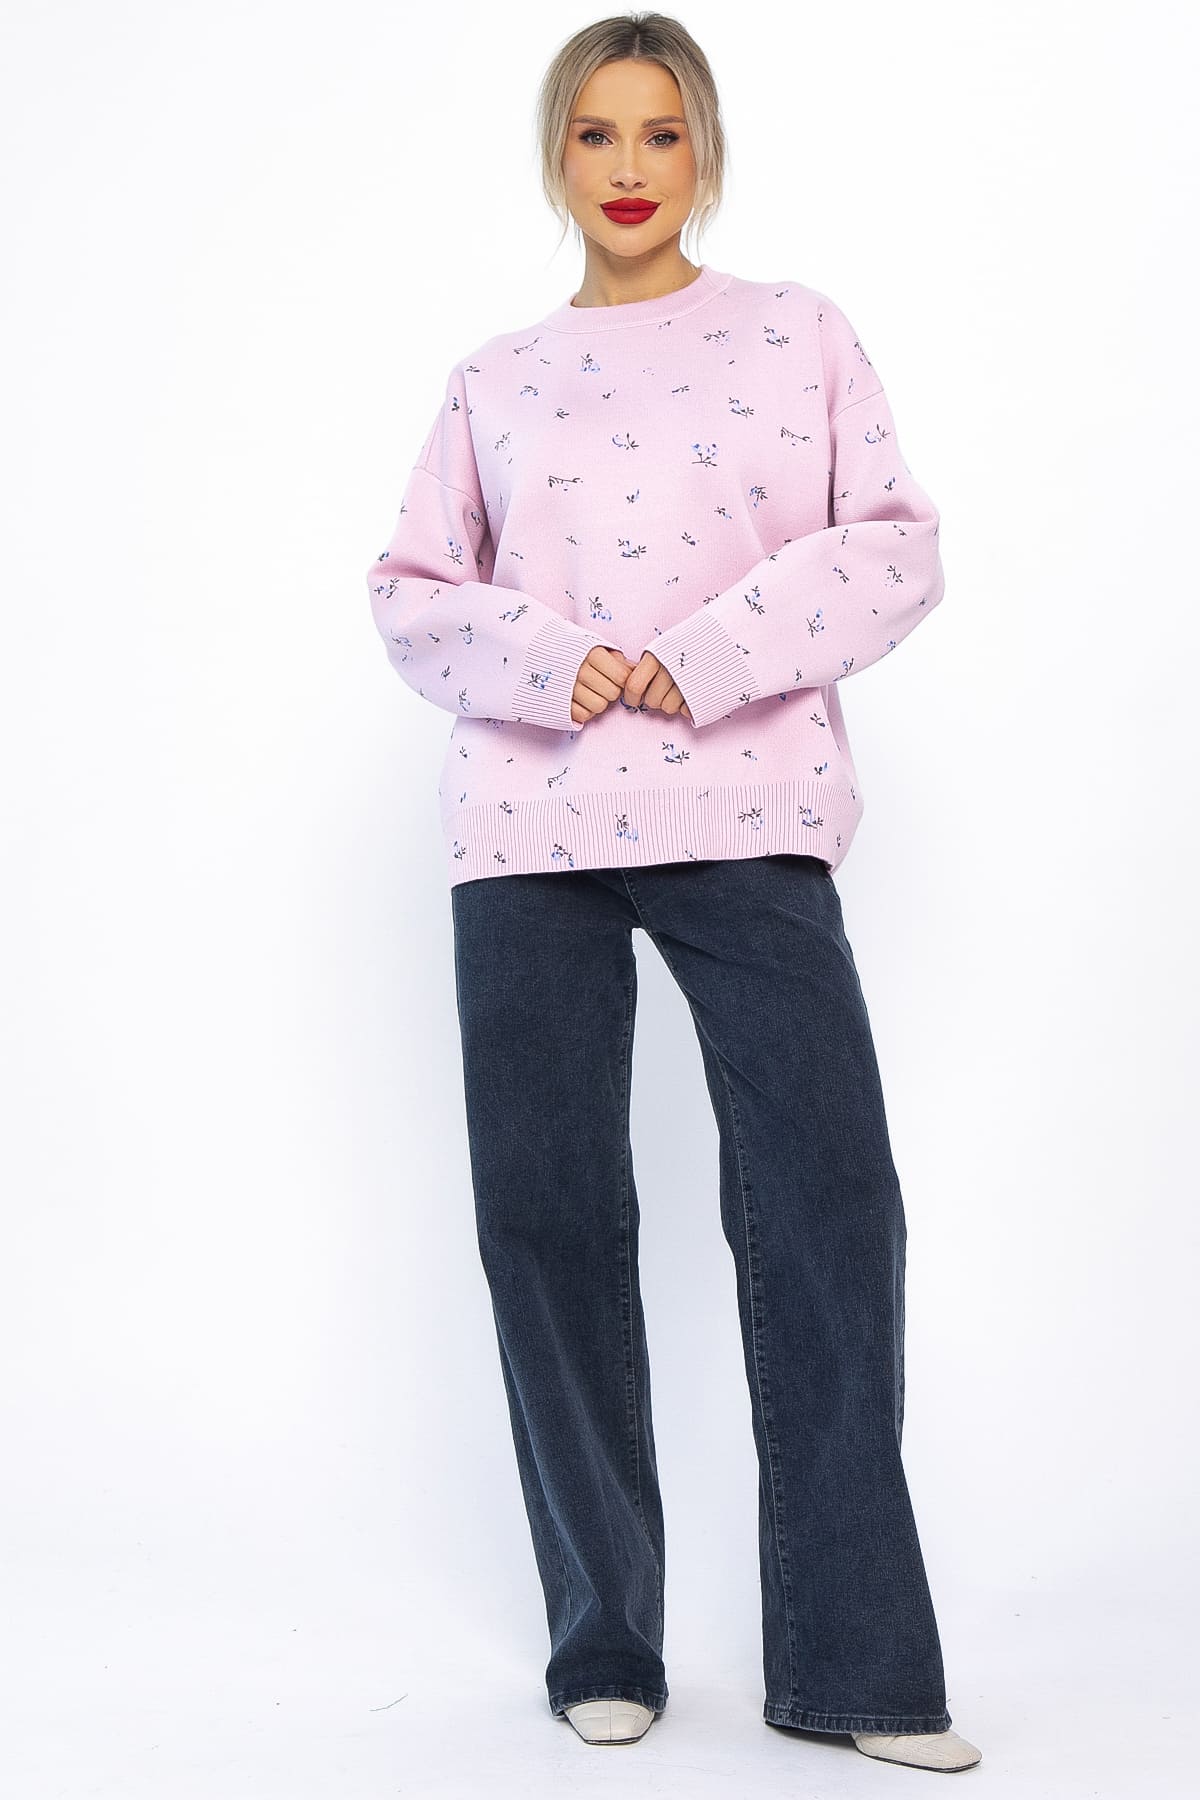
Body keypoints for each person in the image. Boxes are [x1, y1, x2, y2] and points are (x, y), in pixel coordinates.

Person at [365, 10, 981, 1776]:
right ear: (555, 156)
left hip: (748, 802)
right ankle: (602, 1638)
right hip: (528, 826)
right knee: (549, 1220)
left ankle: (859, 1666)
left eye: (660, 132)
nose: (629, 169)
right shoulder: (495, 376)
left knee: (828, 1207)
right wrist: (559, 660)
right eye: (595, 135)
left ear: (704, 147)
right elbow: (411, 589)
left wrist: (700, 656)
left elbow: (895, 545)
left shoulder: (799, 334)